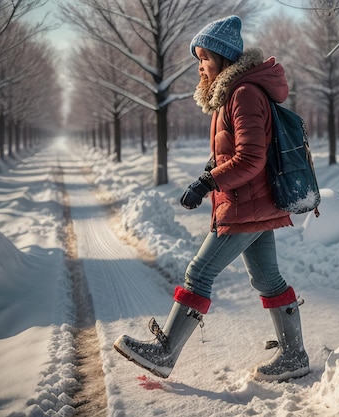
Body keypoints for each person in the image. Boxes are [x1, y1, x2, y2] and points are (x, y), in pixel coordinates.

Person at [113, 15, 310, 383]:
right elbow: (232, 149)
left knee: (199, 272)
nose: (200, 66)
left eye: (204, 57)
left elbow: (250, 158)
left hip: (246, 204)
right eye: (198, 58)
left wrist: (207, 183)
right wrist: (209, 171)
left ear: (222, 57)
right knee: (267, 280)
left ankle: (165, 353)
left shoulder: (243, 94)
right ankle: (294, 356)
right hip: (252, 203)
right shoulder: (231, 93)